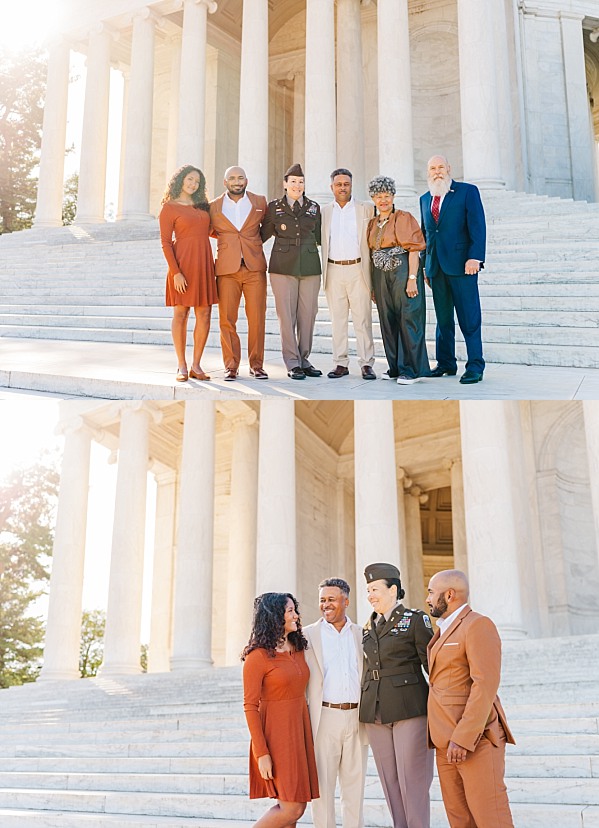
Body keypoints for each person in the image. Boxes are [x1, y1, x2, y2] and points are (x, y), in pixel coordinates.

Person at [426, 570, 516, 828]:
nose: (428, 599)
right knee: (460, 820)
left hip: (475, 741)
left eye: (431, 592)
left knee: (491, 819)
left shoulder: (478, 625)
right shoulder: (443, 630)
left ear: (449, 595)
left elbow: (485, 685)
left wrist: (463, 738)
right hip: (444, 742)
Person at [360, 562, 434, 828]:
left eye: (375, 589)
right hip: (375, 711)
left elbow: (433, 666)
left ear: (393, 589)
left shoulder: (415, 620)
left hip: (409, 708)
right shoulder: (367, 626)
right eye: (368, 590)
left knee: (413, 780)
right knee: (389, 781)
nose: (370, 595)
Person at [242, 592, 319, 828]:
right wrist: (261, 754)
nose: (296, 615)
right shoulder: (258, 656)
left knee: (291, 809)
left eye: (295, 610)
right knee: (293, 808)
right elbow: (250, 707)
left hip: (299, 732)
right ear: (275, 616)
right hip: (276, 737)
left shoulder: (298, 647)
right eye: (290, 611)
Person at [303, 578, 368, 828]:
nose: (325, 605)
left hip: (357, 717)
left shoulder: (362, 634)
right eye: (322, 600)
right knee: (322, 789)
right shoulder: (307, 635)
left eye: (331, 599)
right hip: (324, 717)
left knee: (355, 789)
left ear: (346, 601)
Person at [419, 155, 486, 384]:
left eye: (441, 167)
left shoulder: (467, 192)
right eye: (432, 168)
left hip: (463, 267)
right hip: (436, 269)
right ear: (428, 172)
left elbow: (477, 226)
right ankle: (446, 363)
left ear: (449, 168)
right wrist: (425, 266)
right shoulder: (424, 199)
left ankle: (475, 366)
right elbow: (426, 235)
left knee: (469, 318)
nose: (437, 172)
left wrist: (475, 257)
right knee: (443, 319)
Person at [261, 163, 323, 380]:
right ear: (285, 184)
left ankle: (304, 359)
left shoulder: (314, 207)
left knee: (308, 315)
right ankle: (292, 362)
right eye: (293, 181)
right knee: (286, 316)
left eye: (301, 182)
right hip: (282, 267)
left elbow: (320, 237)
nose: (297, 185)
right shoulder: (274, 207)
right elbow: (262, 235)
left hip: (309, 266)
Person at [367, 177, 430, 385]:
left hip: (402, 270)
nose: (383, 200)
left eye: (387, 195)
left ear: (393, 196)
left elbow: (413, 250)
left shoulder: (404, 218)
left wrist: (412, 279)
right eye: (378, 196)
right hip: (380, 274)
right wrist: (373, 286)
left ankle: (412, 369)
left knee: (408, 317)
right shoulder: (373, 223)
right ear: (373, 199)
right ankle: (395, 366)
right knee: (387, 320)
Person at [159, 164, 217, 382]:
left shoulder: (203, 207)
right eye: (190, 179)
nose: (193, 184)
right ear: (181, 179)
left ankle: (196, 365)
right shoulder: (169, 207)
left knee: (205, 313)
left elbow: (213, 231)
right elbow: (165, 242)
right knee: (181, 313)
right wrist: (176, 272)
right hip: (182, 265)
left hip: (203, 264)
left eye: (197, 181)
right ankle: (181, 365)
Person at [209, 166, 269, 381]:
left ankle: (256, 365)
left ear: (246, 180)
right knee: (226, 319)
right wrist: (230, 244)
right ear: (225, 182)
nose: (237, 181)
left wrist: (252, 244)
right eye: (232, 178)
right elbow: (211, 230)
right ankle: (231, 366)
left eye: (240, 178)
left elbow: (267, 228)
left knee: (257, 319)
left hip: (254, 268)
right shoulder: (213, 207)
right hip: (227, 270)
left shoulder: (259, 202)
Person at [321, 169, 376, 381]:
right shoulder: (324, 212)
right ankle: (340, 363)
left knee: (363, 319)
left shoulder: (366, 209)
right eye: (338, 184)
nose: (342, 187)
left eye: (346, 184)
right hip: (333, 270)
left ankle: (366, 363)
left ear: (351, 185)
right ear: (331, 187)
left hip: (358, 269)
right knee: (338, 320)